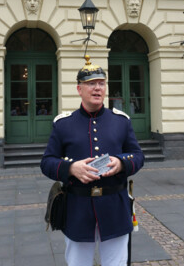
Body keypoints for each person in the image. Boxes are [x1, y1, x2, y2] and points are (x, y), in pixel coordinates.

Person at [40, 55, 144, 266]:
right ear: (79, 89)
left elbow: (139, 156)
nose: (97, 88)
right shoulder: (63, 124)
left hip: (115, 208)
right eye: (90, 84)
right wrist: (70, 168)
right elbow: (47, 162)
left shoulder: (121, 121)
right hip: (78, 210)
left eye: (101, 83)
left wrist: (121, 162)